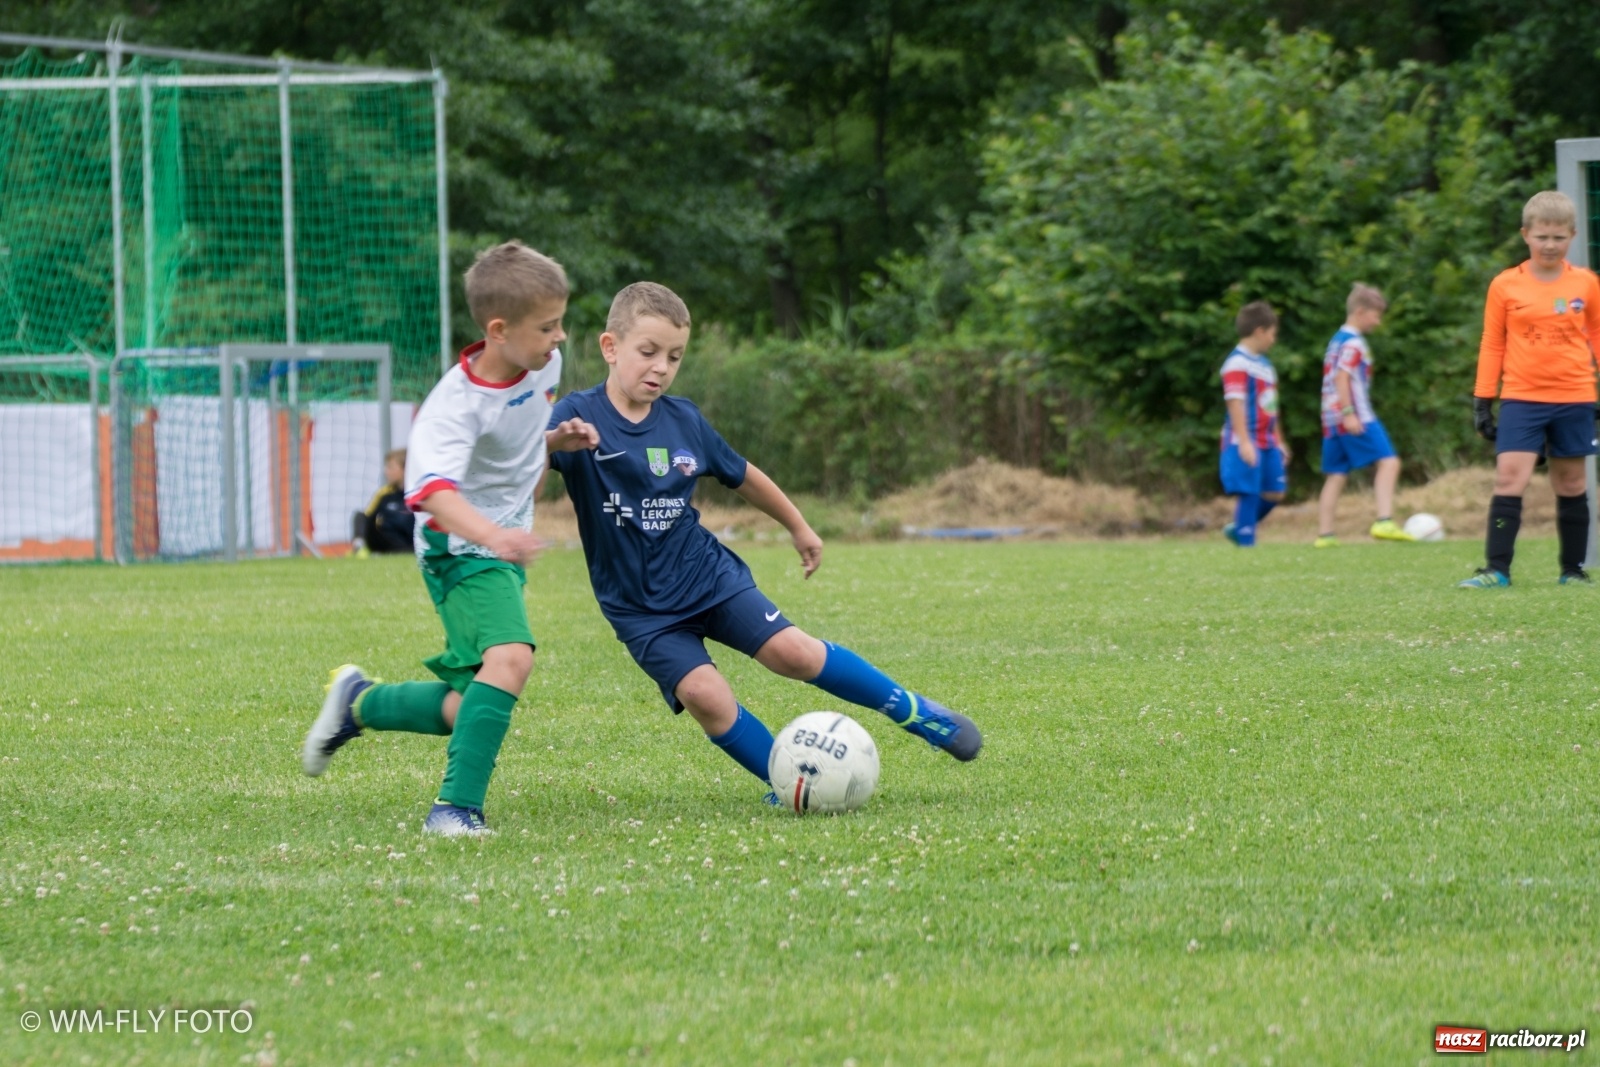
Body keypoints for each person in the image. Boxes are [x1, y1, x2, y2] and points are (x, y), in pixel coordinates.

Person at [545, 281, 981, 803]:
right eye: (649, 352)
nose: (661, 366)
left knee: (793, 653)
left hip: (707, 578)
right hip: (641, 609)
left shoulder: (684, 420)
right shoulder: (577, 414)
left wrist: (798, 526)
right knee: (705, 695)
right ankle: (790, 782)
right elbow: (519, 462)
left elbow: (744, 475)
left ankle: (912, 710)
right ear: (610, 348)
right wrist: (552, 442)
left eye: (675, 356)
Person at [300, 241, 600, 836]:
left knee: (471, 705)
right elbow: (431, 495)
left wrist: (551, 443)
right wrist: (496, 536)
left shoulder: (541, 364)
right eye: (547, 326)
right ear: (498, 329)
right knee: (511, 660)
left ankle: (359, 703)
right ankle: (453, 810)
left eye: (560, 321)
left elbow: (509, 449)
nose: (560, 337)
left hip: (497, 544)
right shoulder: (450, 410)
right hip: (459, 547)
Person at [1460, 190, 1600, 589]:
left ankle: (1572, 571)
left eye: (1558, 237)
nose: (1550, 245)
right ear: (1526, 234)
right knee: (1509, 477)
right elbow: (1492, 342)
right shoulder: (1505, 285)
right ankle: (1496, 570)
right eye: (1542, 236)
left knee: (1572, 483)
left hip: (1574, 396)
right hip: (1522, 397)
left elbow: (1597, 333)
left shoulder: (1587, 284)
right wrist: (1483, 399)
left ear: (1572, 236)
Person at [1313, 284, 1415, 547]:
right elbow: (1341, 376)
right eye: (1375, 315)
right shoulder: (1354, 342)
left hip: (1330, 418)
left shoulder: (1336, 340)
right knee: (1389, 462)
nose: (1377, 322)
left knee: (1336, 473)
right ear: (1360, 311)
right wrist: (1349, 413)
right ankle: (1384, 520)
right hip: (1355, 415)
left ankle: (1325, 535)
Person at [1219, 301, 1290, 547]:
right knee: (1249, 491)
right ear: (1259, 331)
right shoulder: (1236, 363)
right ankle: (1247, 543)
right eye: (1272, 334)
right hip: (1245, 438)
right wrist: (1244, 441)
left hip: (1268, 439)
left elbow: (1272, 406)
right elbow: (1234, 402)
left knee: (1275, 492)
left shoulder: (1266, 366)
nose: (1273, 339)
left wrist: (1280, 440)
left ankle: (1239, 526)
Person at [351, 448, 415, 555]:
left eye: (390, 467)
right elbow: (366, 517)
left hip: (411, 543)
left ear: (405, 469)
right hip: (387, 543)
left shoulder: (418, 493)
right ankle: (359, 548)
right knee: (360, 516)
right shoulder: (384, 494)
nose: (386, 471)